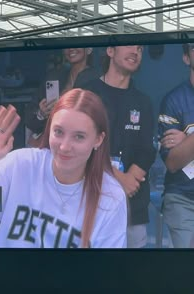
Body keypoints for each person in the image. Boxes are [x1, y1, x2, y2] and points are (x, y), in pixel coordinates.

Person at [0, 88, 127, 248]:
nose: (64, 147)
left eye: (79, 136)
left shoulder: (110, 196)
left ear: (98, 140)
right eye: (58, 132)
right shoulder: (21, 167)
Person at [82, 45, 156, 248]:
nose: (136, 51)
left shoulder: (143, 102)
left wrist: (129, 180)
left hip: (132, 208)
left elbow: (147, 150)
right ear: (110, 50)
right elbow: (80, 146)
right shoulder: (87, 94)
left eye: (140, 49)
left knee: (132, 277)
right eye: (130, 45)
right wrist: (118, 179)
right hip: (90, 205)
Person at [158, 43, 194, 248]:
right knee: (187, 270)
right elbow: (172, 162)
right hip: (183, 199)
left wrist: (187, 139)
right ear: (186, 58)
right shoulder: (173, 100)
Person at [25, 47, 99, 144]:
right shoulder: (54, 76)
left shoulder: (98, 79)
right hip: (52, 144)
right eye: (67, 46)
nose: (71, 49)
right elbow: (30, 120)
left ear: (89, 49)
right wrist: (41, 114)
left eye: (77, 44)